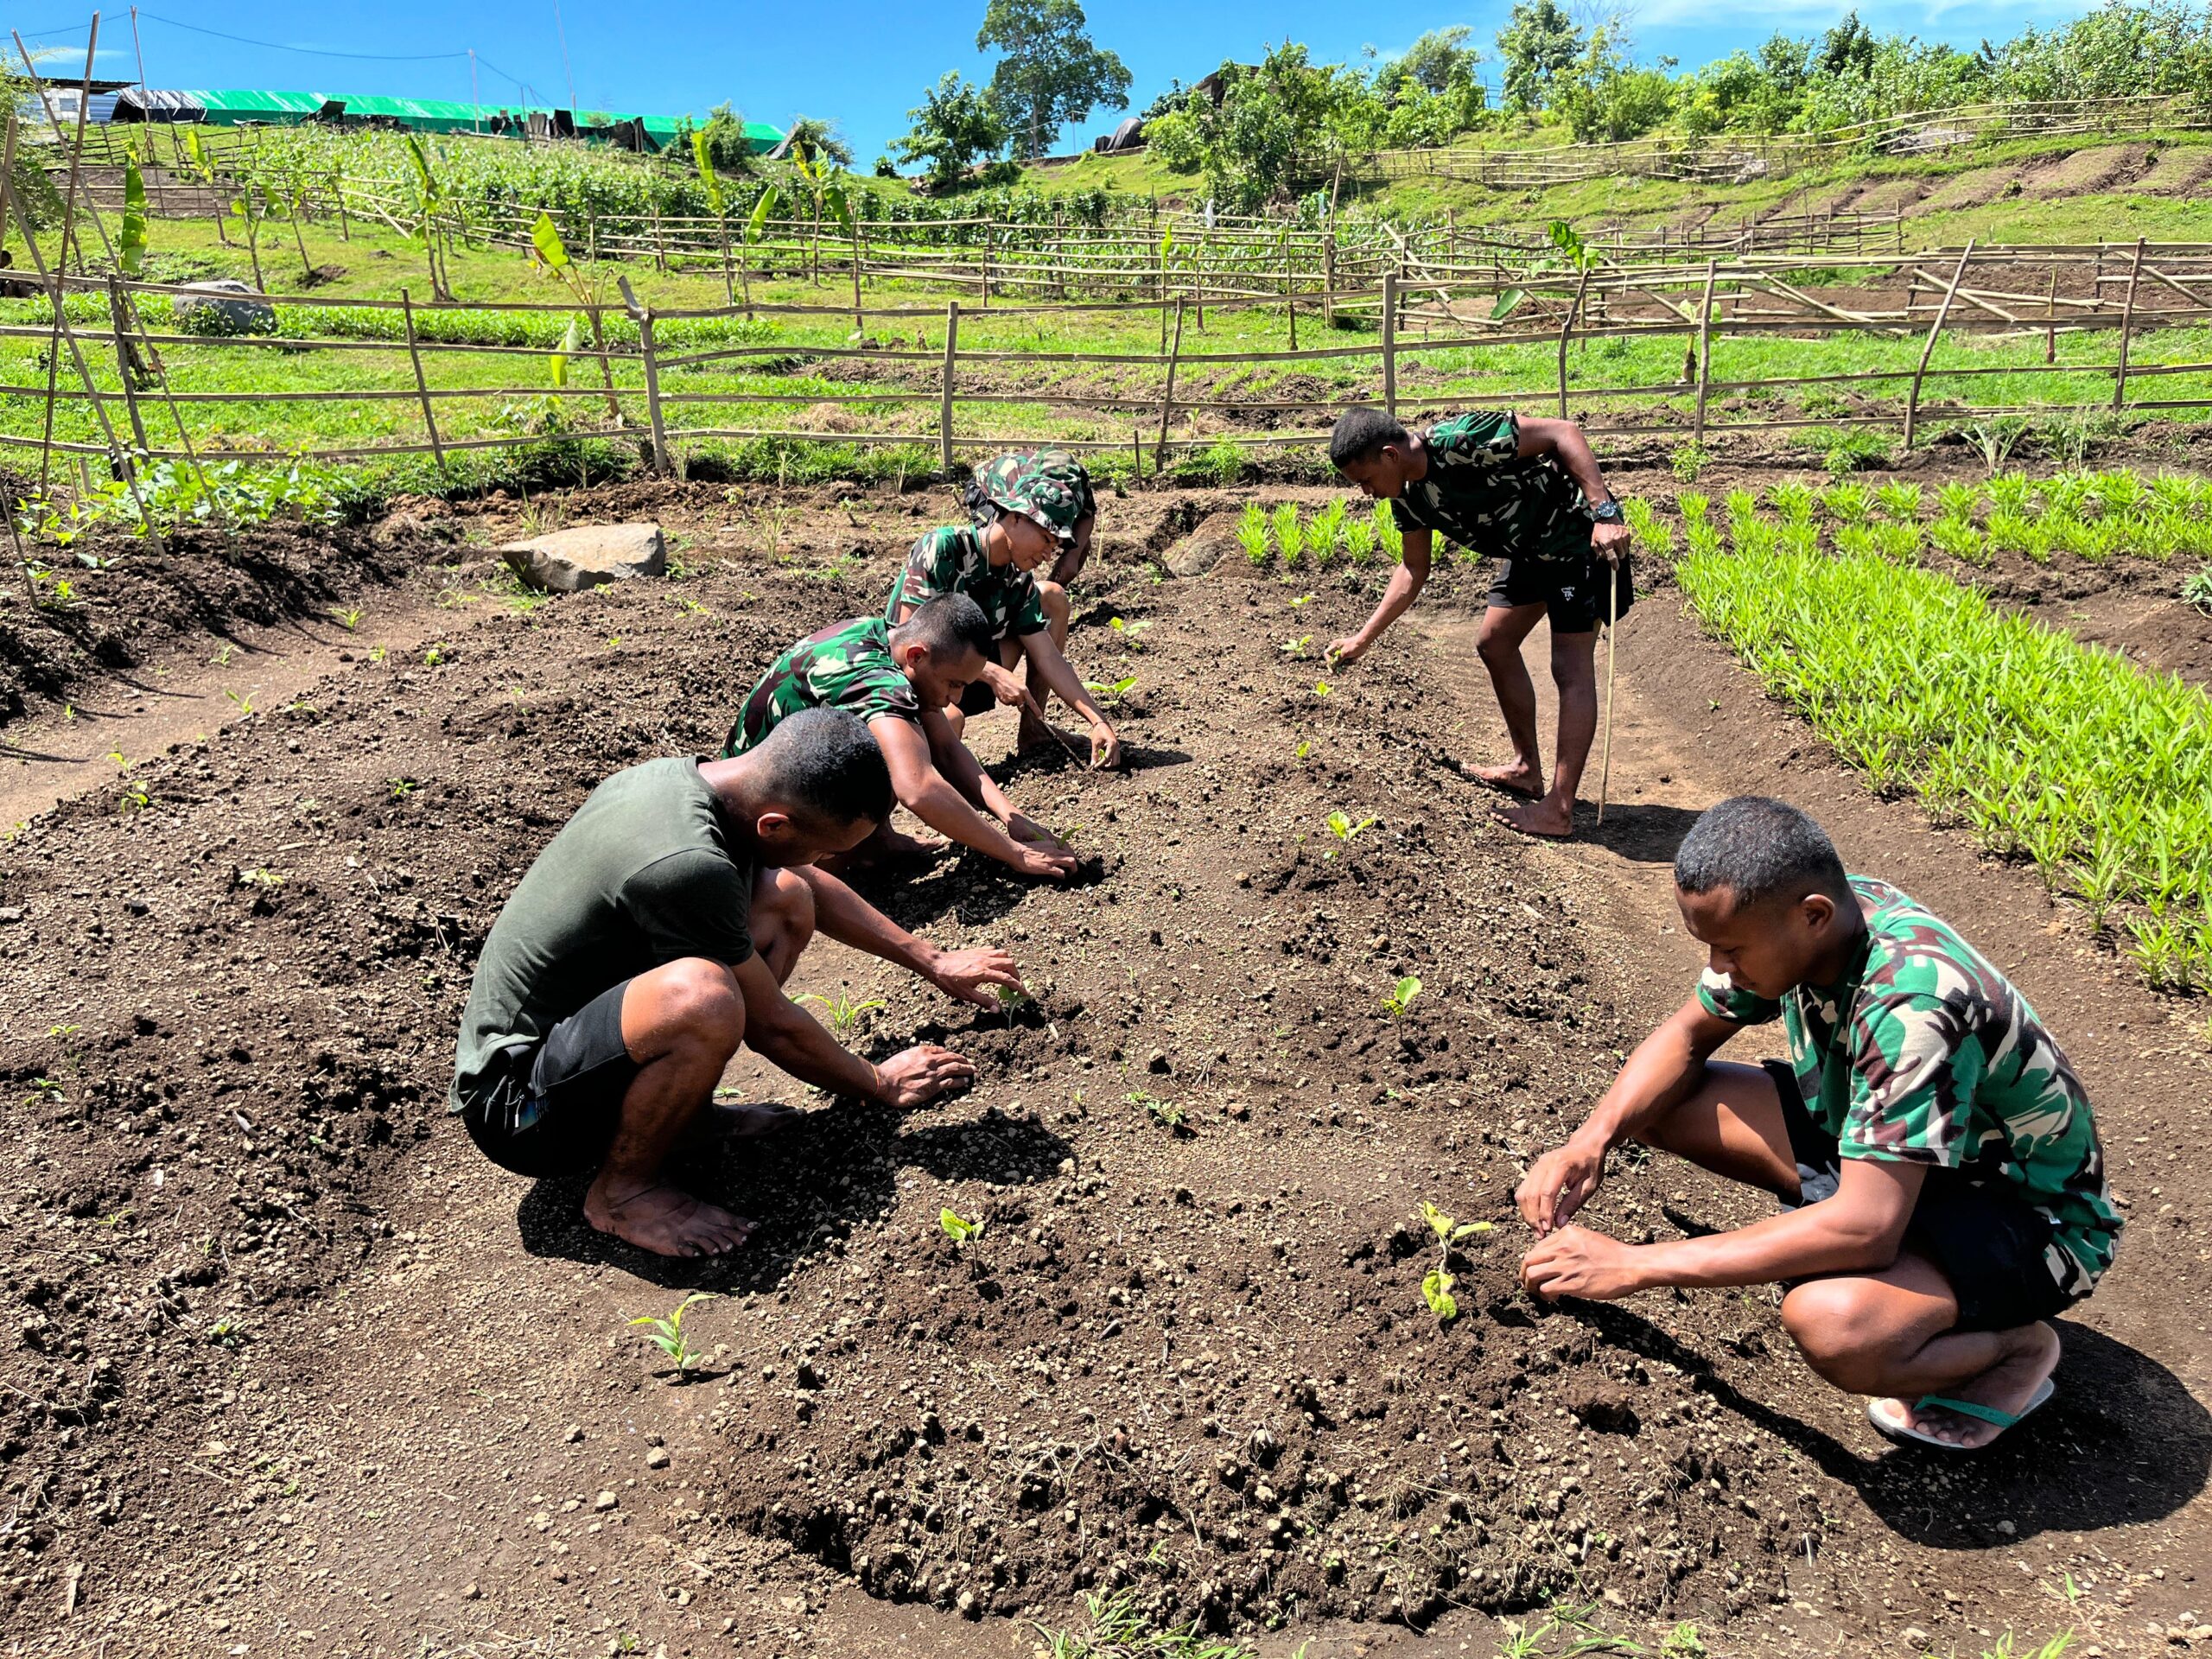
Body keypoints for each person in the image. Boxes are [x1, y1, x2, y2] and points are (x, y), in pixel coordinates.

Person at [1516, 797, 2120, 1450]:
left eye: (1731, 949)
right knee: (1661, 1104)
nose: (1718, 966)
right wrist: (1589, 1141)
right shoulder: (1811, 919)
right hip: (1899, 1154)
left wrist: (1635, 1265)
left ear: (1813, 917)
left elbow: (1868, 1229)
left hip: (2027, 1218)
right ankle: (1863, 1243)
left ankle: (2014, 1349)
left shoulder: (1912, 1005)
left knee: (1836, 1326)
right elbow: (1686, 1036)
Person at [450, 709, 1027, 1259]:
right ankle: (623, 1192)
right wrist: (879, 1083)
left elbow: (804, 882)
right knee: (704, 998)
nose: (825, 860)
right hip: (518, 1108)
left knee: (785, 897)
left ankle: (683, 1118)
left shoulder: (689, 785)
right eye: (825, 847)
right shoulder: (687, 864)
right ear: (774, 824)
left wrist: (933, 960)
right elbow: (773, 1024)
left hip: (581, 1048)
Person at [1324, 407, 1632, 840]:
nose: (1366, 492)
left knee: (1569, 665)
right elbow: (1413, 569)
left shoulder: (1464, 440)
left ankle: (1560, 809)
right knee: (1494, 642)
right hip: (1529, 553)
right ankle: (1526, 769)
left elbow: (1563, 432)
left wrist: (1605, 513)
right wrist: (1363, 638)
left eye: (1366, 480)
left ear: (1390, 455)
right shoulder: (1407, 496)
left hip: (1577, 541)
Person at [724, 594, 1079, 882]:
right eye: (953, 684)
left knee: (915, 735)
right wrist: (1015, 854)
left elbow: (946, 748)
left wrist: (1012, 817)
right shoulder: (881, 683)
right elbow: (918, 789)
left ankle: (877, 842)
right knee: (901, 753)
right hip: (756, 828)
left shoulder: (882, 636)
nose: (954, 698)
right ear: (917, 656)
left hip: (773, 784)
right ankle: (835, 865)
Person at [891, 466, 1123, 770]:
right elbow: (908, 643)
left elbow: (1048, 657)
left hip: (965, 680)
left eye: (1054, 547)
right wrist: (991, 673)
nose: (1048, 555)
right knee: (951, 721)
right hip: (915, 680)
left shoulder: (1018, 580)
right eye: (1045, 539)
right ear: (1015, 517)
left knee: (1051, 597)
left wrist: (1098, 721)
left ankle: (1034, 731)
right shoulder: (942, 548)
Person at [965, 448, 1099, 590]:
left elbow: (1088, 515)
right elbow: (1012, 526)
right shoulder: (1029, 484)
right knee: (1002, 550)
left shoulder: (1079, 482)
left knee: (1081, 543)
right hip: (989, 490)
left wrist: (1072, 555)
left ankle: (1046, 591)